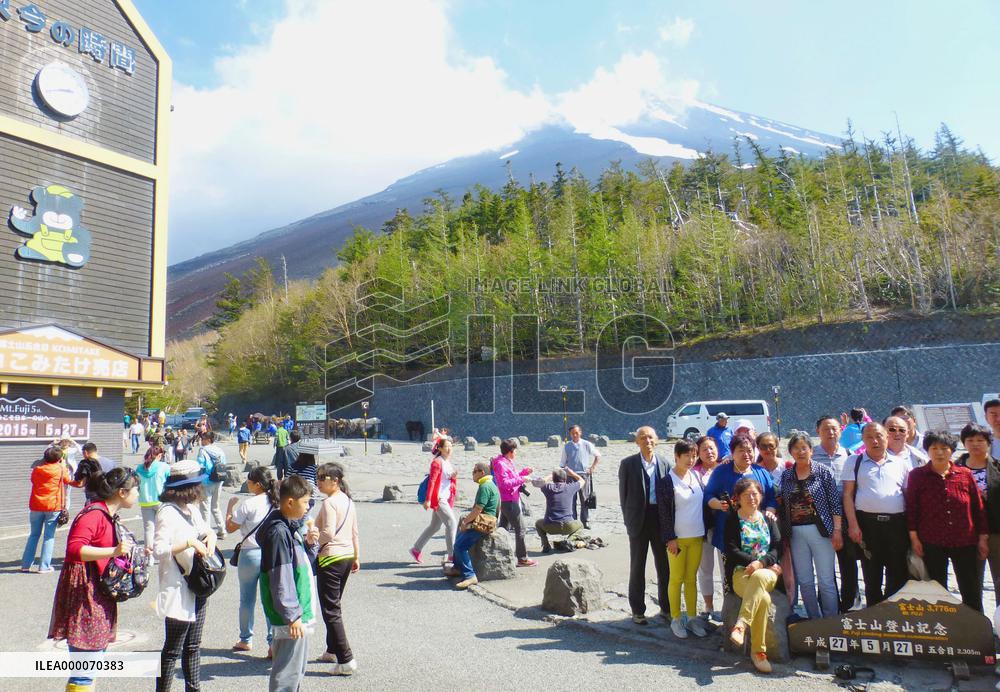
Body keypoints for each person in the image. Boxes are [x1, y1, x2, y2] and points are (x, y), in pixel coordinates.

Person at [48, 467, 139, 692]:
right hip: (85, 595)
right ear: (122, 492)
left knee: (91, 664)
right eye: (135, 489)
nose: (138, 494)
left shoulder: (104, 513)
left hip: (96, 594)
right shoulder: (94, 514)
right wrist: (114, 551)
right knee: (84, 670)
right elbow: (74, 550)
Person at [907, 430, 988, 611]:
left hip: (964, 540)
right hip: (932, 540)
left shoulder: (964, 474)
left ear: (952, 450)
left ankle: (975, 627)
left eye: (944, 448)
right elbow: (912, 508)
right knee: (937, 590)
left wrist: (983, 538)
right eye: (934, 448)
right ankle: (942, 630)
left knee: (971, 589)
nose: (939, 452)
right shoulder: (917, 476)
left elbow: (978, 508)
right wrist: (914, 539)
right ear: (927, 450)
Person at [154, 460, 215, 692]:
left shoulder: (192, 509)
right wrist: (189, 542)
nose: (201, 489)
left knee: (193, 645)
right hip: (178, 587)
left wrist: (210, 536)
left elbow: (205, 530)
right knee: (172, 649)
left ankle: (194, 688)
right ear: (189, 487)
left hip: (198, 583)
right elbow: (159, 550)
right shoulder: (167, 512)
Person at [259, 475, 320, 689]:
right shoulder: (279, 531)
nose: (308, 508)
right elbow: (280, 578)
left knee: (295, 670)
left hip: (295, 611)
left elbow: (299, 564)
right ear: (290, 502)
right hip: (290, 614)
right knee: (287, 673)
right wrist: (292, 614)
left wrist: (310, 544)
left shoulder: (287, 526)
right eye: (305, 503)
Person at [842, 422, 910, 605]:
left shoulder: (900, 463)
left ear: (886, 437)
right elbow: (848, 495)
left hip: (896, 525)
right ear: (863, 440)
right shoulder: (854, 461)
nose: (875, 441)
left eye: (879, 436)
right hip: (868, 525)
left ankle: (893, 615)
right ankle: (874, 614)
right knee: (872, 574)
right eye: (869, 437)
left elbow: (907, 495)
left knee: (897, 573)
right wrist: (853, 525)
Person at [779, 432, 842, 619]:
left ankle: (830, 619)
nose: (800, 452)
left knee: (826, 580)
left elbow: (834, 503)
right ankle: (814, 619)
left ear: (811, 450)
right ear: (790, 452)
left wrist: (837, 530)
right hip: (796, 533)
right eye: (796, 448)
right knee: (805, 580)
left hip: (821, 531)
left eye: (804, 448)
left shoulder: (822, 472)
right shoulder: (787, 476)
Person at [725, 477, 783, 674]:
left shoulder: (768, 518)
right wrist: (752, 561)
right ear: (738, 498)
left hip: (767, 572)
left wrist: (761, 563)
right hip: (741, 573)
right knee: (764, 600)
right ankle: (758, 652)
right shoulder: (734, 519)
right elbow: (731, 549)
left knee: (759, 578)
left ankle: (741, 625)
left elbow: (777, 548)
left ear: (760, 496)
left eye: (755, 494)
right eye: (746, 495)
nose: (751, 498)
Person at [619, 426, 672, 624]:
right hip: (638, 521)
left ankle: (666, 608)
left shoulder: (665, 463)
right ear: (637, 442)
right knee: (637, 565)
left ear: (656, 440)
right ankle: (637, 610)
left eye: (650, 437)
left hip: (660, 520)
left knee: (664, 566)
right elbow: (623, 496)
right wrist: (628, 520)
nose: (647, 441)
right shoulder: (628, 464)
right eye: (642, 438)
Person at [656, 439, 708, 638]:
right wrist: (670, 537)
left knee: (691, 579)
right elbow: (663, 513)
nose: (691, 459)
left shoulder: (696, 475)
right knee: (676, 579)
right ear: (676, 456)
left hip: (696, 536)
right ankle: (676, 619)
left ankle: (693, 618)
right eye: (686, 455)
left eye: (694, 455)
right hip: (677, 539)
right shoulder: (667, 481)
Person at [226, 466, 279, 654]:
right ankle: (273, 642)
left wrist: (229, 508)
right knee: (270, 599)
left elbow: (231, 527)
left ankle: (245, 638)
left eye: (249, 481)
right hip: (270, 553)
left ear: (257, 484)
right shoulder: (276, 501)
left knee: (247, 599)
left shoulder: (249, 504)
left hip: (250, 553)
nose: (247, 484)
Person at [313, 463, 360, 674]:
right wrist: (357, 556)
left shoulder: (329, 503)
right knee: (334, 604)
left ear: (335, 481)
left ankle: (345, 659)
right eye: (318, 477)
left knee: (330, 610)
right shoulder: (348, 501)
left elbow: (329, 532)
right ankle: (332, 649)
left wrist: (312, 542)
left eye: (323, 478)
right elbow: (354, 532)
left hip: (330, 557)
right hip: (347, 555)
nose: (319, 481)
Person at [704, 434, 778, 567]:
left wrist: (770, 512)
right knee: (730, 576)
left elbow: (771, 498)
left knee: (758, 572)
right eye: (741, 450)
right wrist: (719, 505)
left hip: (759, 535)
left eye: (749, 450)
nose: (746, 454)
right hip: (728, 532)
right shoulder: (721, 471)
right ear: (732, 453)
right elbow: (708, 495)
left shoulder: (761, 472)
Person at [812, 415, 858, 613]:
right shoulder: (811, 455)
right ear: (818, 432)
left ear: (841, 430)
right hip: (820, 518)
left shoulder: (851, 456)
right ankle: (827, 607)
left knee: (848, 562)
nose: (830, 433)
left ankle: (850, 606)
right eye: (826, 429)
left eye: (834, 429)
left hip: (846, 517)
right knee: (825, 565)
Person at [956, 423, 1000, 598]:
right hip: (968, 534)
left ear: (989, 442)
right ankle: (975, 622)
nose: (975, 444)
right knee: (972, 581)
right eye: (970, 440)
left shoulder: (997, 467)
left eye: (980, 440)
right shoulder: (955, 468)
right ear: (964, 442)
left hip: (997, 532)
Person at [22, 447, 77, 573]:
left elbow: (33, 481)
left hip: (36, 505)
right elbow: (68, 481)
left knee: (34, 535)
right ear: (59, 458)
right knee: (49, 537)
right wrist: (63, 465)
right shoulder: (60, 469)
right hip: (53, 506)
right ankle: (44, 566)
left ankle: (26, 565)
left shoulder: (36, 469)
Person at [448, 461, 500, 589]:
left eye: (474, 471)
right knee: (458, 541)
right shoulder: (490, 484)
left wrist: (466, 522)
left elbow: (478, 509)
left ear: (482, 473)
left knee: (460, 546)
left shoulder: (485, 486)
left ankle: (470, 575)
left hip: (482, 523)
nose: (472, 474)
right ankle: (457, 567)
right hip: (486, 520)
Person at [410, 438, 457, 564]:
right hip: (439, 498)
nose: (449, 449)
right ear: (440, 448)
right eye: (446, 446)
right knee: (451, 523)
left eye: (451, 446)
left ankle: (416, 549)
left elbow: (444, 479)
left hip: (445, 497)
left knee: (434, 526)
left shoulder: (447, 461)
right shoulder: (437, 462)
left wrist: (452, 477)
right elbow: (432, 481)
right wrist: (428, 500)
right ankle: (452, 556)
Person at [491, 438, 537, 567]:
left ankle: (496, 554)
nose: (516, 452)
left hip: (510, 500)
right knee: (521, 528)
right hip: (509, 501)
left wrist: (524, 472)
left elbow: (513, 477)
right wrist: (522, 478)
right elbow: (504, 483)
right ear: (510, 451)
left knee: (502, 530)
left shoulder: (507, 461)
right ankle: (522, 558)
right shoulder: (501, 464)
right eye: (515, 450)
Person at [693, 436, 724, 617]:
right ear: (698, 452)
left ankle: (728, 606)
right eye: (704, 449)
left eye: (712, 448)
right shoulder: (693, 472)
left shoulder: (726, 468)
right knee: (705, 568)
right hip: (702, 526)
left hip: (723, 526)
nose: (709, 452)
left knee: (725, 567)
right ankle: (708, 605)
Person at [531, 467, 585, 553]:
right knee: (580, 525)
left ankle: (546, 545)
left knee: (538, 523)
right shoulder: (569, 487)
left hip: (550, 526)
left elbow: (539, 483)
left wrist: (550, 476)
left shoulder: (548, 487)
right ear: (565, 479)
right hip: (568, 525)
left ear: (553, 479)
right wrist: (572, 473)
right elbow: (582, 481)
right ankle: (570, 540)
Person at [559, 424, 601, 528]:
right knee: (571, 499)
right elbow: (562, 463)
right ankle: (573, 521)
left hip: (583, 475)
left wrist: (592, 468)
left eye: (576, 433)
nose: (575, 435)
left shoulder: (587, 444)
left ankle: (585, 521)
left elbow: (598, 455)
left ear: (580, 433)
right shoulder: (567, 446)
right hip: (570, 476)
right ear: (570, 434)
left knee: (584, 499)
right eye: (572, 433)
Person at [137, 444, 170, 552]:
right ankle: (161, 551)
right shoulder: (164, 466)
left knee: (148, 529)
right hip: (160, 501)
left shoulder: (139, 468)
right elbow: (169, 481)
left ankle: (149, 556)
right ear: (159, 455)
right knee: (162, 527)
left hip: (145, 501)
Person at [196, 431, 227, 540]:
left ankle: (206, 533)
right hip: (218, 480)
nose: (201, 441)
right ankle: (222, 530)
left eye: (203, 439)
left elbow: (200, 466)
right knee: (215, 506)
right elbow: (224, 464)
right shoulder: (219, 450)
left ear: (208, 440)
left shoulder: (203, 451)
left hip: (206, 481)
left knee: (205, 508)